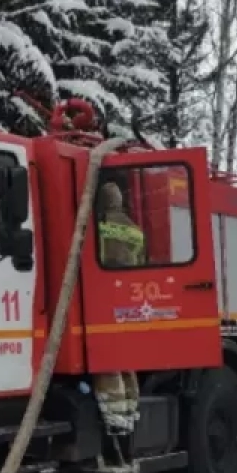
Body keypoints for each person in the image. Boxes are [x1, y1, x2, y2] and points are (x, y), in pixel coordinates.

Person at [93, 182, 144, 434]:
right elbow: (140, 259)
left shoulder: (99, 226)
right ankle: (131, 410)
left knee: (109, 359)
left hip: (105, 294)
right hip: (130, 297)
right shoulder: (134, 229)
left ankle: (114, 418)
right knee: (126, 359)